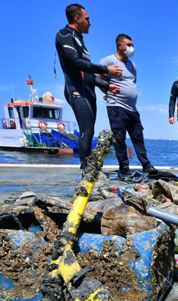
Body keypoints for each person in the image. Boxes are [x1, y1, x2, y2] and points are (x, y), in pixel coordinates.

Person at [55, 4, 122, 169]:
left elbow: (88, 74)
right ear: (77, 18)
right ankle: (86, 172)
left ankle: (90, 170)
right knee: (86, 130)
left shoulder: (80, 40)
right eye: (87, 19)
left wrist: (106, 86)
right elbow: (75, 63)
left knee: (90, 131)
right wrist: (106, 69)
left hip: (88, 91)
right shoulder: (64, 34)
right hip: (76, 90)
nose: (90, 23)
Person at [99, 33, 155, 180]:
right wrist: (107, 89)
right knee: (119, 138)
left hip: (132, 108)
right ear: (120, 46)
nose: (132, 47)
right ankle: (124, 168)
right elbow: (97, 77)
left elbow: (132, 83)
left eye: (132, 45)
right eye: (129, 44)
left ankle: (146, 165)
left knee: (138, 137)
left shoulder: (132, 65)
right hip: (116, 106)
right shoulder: (107, 60)